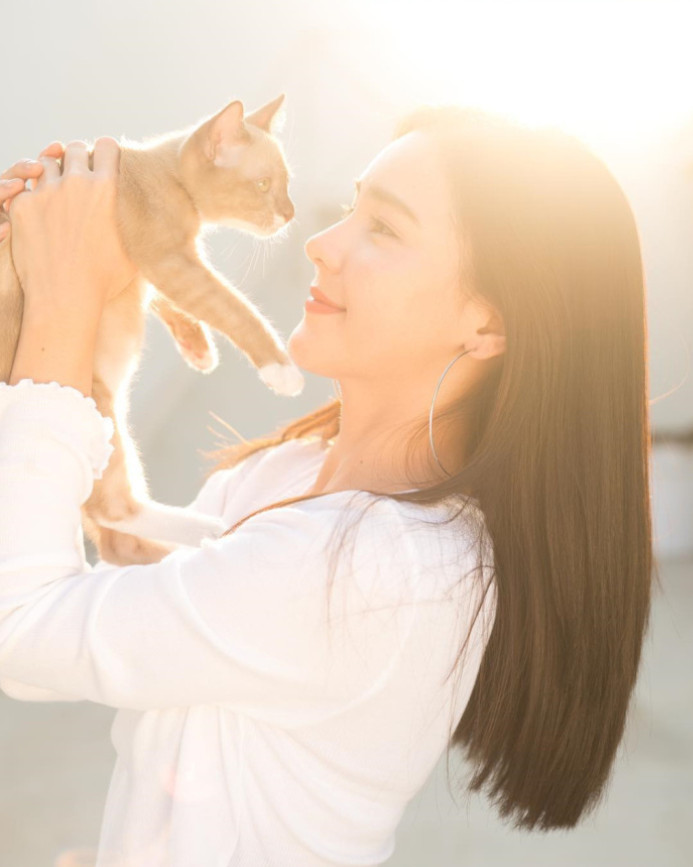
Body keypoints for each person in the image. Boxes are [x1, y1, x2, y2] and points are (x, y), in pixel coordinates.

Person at [0, 104, 654, 867]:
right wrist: (29, 294)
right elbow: (122, 608)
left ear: (486, 323)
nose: (318, 242)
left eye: (383, 228)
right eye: (350, 207)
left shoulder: (379, 567)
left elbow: (23, 633)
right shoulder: (285, 476)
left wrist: (63, 306)